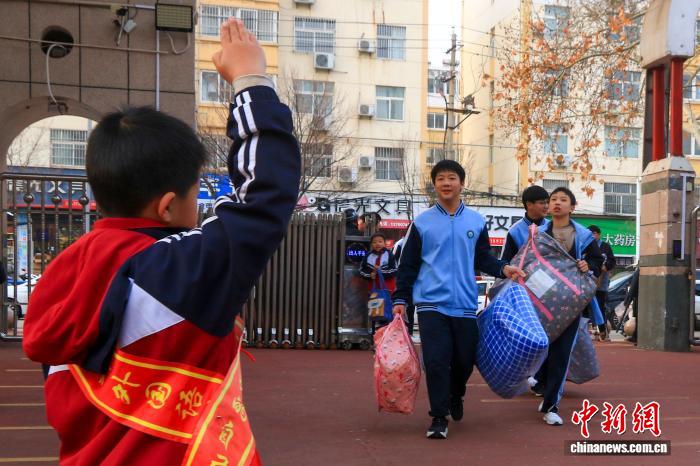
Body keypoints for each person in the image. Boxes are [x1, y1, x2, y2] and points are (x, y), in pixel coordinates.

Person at [22, 19, 300, 465]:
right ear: (168, 206)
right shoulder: (176, 268)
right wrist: (251, 82)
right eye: (195, 193)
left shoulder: (64, 273)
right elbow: (264, 196)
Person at [392, 160, 525, 439]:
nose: (446, 183)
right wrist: (401, 298)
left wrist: (504, 269)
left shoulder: (475, 221)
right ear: (434, 184)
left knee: (465, 360)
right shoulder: (422, 223)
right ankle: (439, 417)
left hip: (464, 303)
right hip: (431, 303)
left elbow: (483, 258)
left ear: (461, 183)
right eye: (440, 178)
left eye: (451, 178)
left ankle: (456, 393)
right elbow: (408, 265)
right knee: (436, 360)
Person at [530, 187, 604, 426]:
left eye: (563, 200)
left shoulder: (583, 235)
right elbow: (529, 261)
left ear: (572, 207)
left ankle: (551, 404)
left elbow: (597, 261)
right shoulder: (538, 233)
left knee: (561, 354)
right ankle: (544, 388)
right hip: (541, 303)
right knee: (542, 350)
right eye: (553, 199)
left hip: (570, 305)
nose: (557, 203)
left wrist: (588, 266)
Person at [360, 232, 398, 333]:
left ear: (385, 243)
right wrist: (370, 275)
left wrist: (380, 272)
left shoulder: (389, 255)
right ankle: (374, 336)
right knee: (375, 313)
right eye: (374, 242)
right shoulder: (368, 256)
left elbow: (394, 270)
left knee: (387, 314)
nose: (377, 244)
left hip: (387, 291)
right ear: (371, 244)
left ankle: (386, 336)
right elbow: (361, 271)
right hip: (373, 291)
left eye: (380, 241)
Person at [501, 185, 550, 262]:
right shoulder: (514, 231)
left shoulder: (552, 226)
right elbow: (505, 263)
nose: (546, 206)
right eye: (542, 203)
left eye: (547, 202)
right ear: (529, 204)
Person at [587, 225, 617, 341]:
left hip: (601, 283)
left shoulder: (605, 247)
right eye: (589, 234)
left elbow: (612, 261)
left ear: (599, 234)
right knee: (586, 308)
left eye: (594, 233)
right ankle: (590, 331)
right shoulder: (585, 245)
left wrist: (606, 266)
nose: (592, 236)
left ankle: (603, 332)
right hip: (587, 283)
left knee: (600, 306)